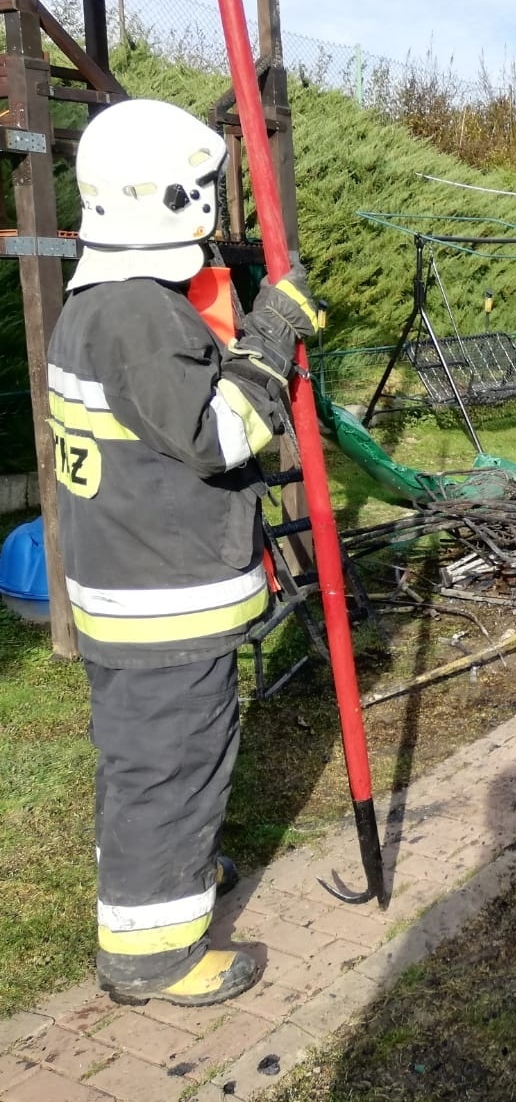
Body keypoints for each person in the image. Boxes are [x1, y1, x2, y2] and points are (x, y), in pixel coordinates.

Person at [47, 97, 323, 1005]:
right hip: (162, 600)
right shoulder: (138, 316)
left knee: (150, 766)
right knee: (170, 768)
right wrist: (272, 337)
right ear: (176, 200)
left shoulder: (95, 304)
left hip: (130, 589)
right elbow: (220, 432)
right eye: (204, 188)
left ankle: (165, 878)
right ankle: (153, 955)